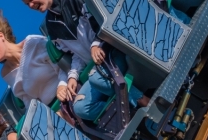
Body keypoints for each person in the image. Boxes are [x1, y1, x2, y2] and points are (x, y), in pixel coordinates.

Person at [20, 0, 148, 121]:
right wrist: (72, 76)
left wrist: (97, 43)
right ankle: (131, 115)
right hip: (98, 69)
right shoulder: (51, 26)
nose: (31, 5)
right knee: (81, 108)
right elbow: (77, 55)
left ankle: (143, 102)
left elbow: (105, 20)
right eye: (27, 4)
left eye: (31, 0)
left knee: (96, 79)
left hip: (114, 51)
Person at [0, 12, 59, 108]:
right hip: (51, 113)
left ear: (1, 36)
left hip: (68, 95)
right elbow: (28, 102)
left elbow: (63, 67)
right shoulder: (6, 73)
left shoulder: (32, 43)